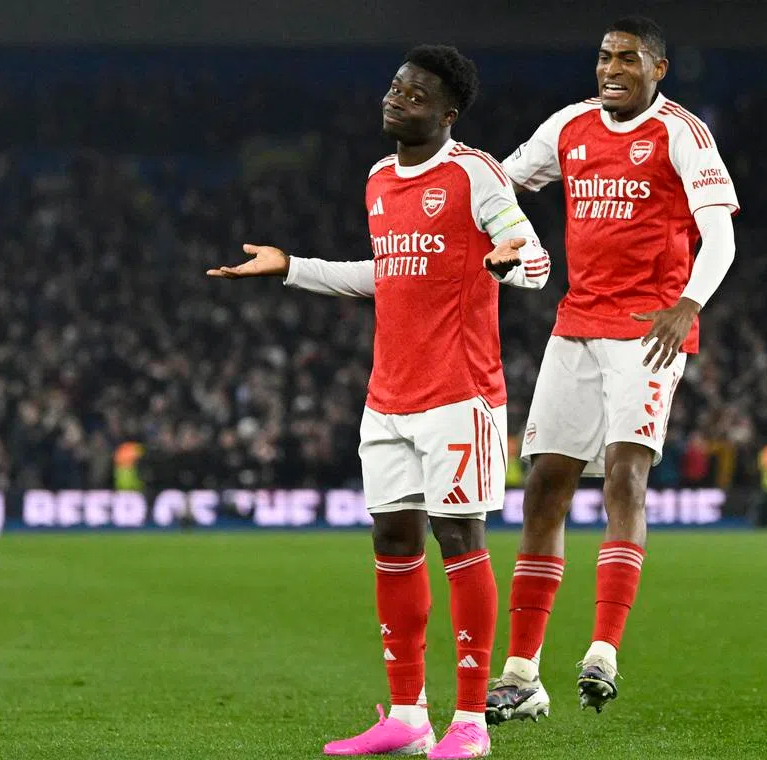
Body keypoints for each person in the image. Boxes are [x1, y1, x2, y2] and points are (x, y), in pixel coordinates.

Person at [207, 45, 549, 758]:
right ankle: (406, 714)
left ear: (447, 114)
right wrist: (291, 267)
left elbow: (535, 259)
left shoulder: (473, 174)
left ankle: (470, 724)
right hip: (387, 396)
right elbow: (386, 275)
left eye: (417, 95)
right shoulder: (378, 180)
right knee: (392, 542)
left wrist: (507, 258)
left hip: (460, 395)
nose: (397, 100)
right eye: (396, 88)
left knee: (460, 543)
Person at [486, 15, 739, 721]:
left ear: (659, 70)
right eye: (603, 57)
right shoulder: (569, 127)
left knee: (625, 472)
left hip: (648, 330)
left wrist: (688, 306)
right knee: (544, 488)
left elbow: (720, 233)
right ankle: (521, 672)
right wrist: (503, 241)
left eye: (628, 59)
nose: (611, 69)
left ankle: (603, 651)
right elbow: (499, 186)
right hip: (576, 325)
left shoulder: (681, 134)